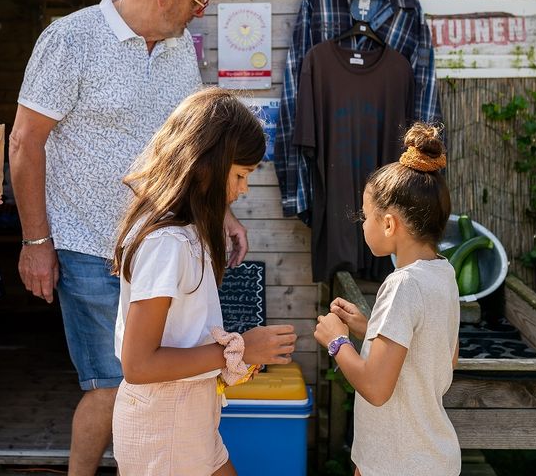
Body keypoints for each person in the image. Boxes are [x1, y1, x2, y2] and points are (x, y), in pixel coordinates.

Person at [9, 0, 250, 475]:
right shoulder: (69, 40)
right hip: (90, 246)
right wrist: (35, 240)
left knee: (158, 382)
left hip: (161, 250)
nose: (199, 13)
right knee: (111, 384)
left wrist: (224, 209)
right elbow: (25, 142)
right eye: (197, 1)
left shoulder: (176, 50)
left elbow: (194, 146)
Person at [111, 88, 297, 475]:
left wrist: (235, 358)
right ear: (207, 165)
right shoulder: (167, 243)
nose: (244, 188)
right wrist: (240, 351)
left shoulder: (189, 233)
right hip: (165, 429)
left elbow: (182, 337)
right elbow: (138, 364)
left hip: (190, 420)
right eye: (241, 175)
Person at [314, 123, 460, 476]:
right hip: (428, 458)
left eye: (366, 216)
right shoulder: (443, 273)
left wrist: (337, 342)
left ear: (390, 225)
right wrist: (370, 329)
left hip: (400, 463)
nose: (362, 224)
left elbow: (377, 389)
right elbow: (442, 356)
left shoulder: (403, 285)